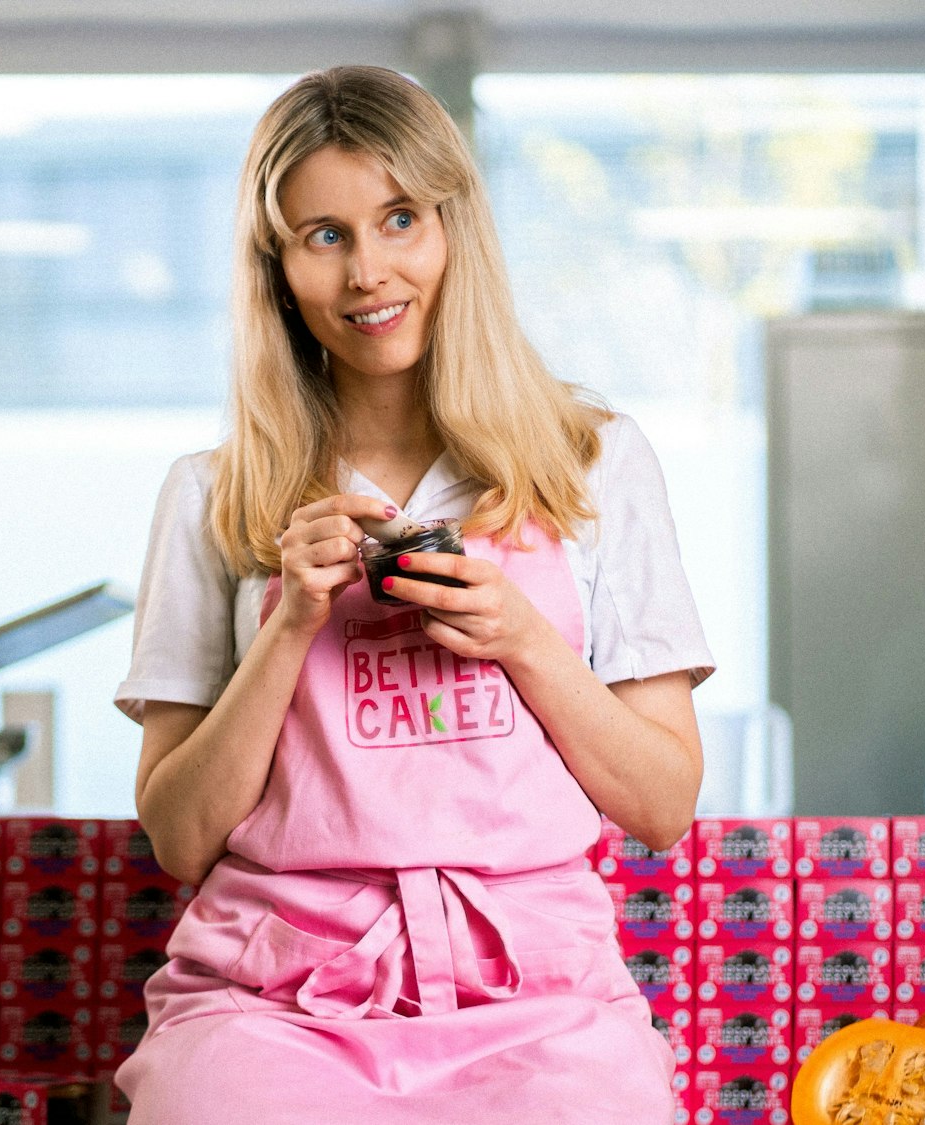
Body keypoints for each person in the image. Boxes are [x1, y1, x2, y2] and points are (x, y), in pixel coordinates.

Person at [112, 67, 713, 1122]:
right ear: (278, 267)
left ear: (453, 228)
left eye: (399, 219)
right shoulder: (211, 494)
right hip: (274, 999)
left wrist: (524, 641)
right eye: (323, 235)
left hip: (541, 994)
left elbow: (660, 806)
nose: (367, 273)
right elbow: (180, 836)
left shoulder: (592, 463)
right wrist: (290, 624)